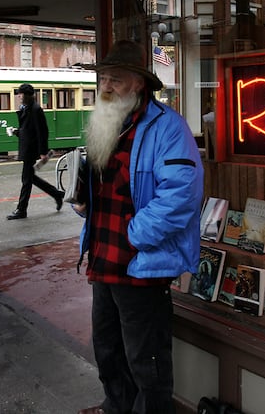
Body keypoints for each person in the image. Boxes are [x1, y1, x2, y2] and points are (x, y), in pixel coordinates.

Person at [73, 40, 204, 414]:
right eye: (103, 79)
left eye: (115, 79)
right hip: (103, 261)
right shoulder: (108, 123)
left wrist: (133, 237)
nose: (106, 87)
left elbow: (181, 196)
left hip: (139, 265)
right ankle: (116, 409)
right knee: (109, 351)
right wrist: (84, 201)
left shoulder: (169, 128)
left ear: (138, 84)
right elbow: (105, 190)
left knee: (147, 363)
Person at [6, 83, 64, 220]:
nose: (19, 96)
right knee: (31, 178)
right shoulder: (27, 108)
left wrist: (43, 151)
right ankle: (56, 194)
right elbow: (28, 130)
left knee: (26, 180)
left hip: (30, 150)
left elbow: (42, 132)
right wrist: (16, 132)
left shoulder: (36, 109)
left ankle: (21, 210)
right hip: (27, 147)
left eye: (21, 94)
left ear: (27, 95)